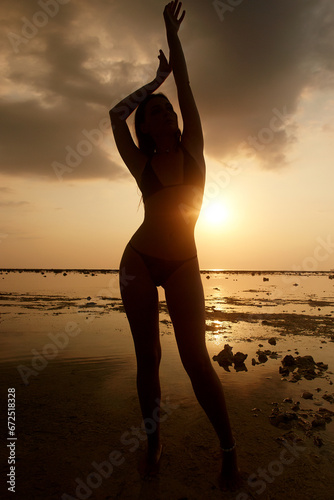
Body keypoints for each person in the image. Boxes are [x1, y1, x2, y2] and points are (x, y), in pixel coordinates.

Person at [109, 0, 240, 489]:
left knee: (195, 359)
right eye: (156, 111)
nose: (164, 110)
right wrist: (151, 84)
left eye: (166, 108)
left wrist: (172, 38)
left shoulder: (193, 150)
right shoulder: (140, 162)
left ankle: (229, 451)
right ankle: (154, 443)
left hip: (184, 262)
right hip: (138, 261)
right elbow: (113, 114)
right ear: (146, 126)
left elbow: (187, 87)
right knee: (150, 360)